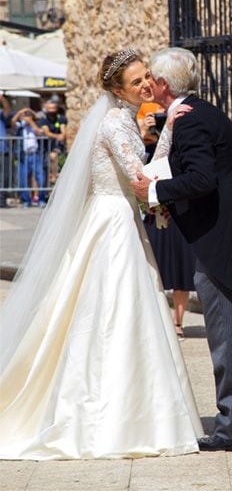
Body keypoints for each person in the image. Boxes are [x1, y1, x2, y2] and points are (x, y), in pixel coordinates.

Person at [0, 49, 203, 459]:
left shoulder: (122, 119)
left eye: (147, 76)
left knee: (117, 312)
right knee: (116, 312)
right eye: (136, 82)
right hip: (113, 225)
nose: (146, 85)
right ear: (116, 89)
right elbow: (140, 178)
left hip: (115, 217)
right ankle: (114, 416)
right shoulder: (114, 123)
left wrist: (153, 134)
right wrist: (168, 134)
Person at [131, 47, 232, 452]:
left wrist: (153, 190)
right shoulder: (198, 112)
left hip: (225, 238)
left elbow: (201, 178)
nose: (148, 83)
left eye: (152, 77)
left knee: (229, 332)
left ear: (164, 84)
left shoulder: (191, 121)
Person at [137, 102, 196, 341]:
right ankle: (158, 319)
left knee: (181, 270)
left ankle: (178, 321)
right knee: (156, 269)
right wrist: (143, 134)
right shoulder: (142, 145)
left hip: (178, 210)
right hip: (154, 212)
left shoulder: (178, 140)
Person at [12, 107, 47, 207]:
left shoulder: (36, 125)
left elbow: (39, 132)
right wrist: (20, 112)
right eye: (24, 116)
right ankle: (26, 200)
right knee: (23, 179)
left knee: (40, 178)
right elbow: (13, 122)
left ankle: (41, 199)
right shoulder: (20, 126)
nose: (26, 117)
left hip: (35, 155)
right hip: (23, 156)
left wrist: (31, 120)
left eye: (27, 115)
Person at [39, 100, 67, 186]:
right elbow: (47, 132)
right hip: (45, 146)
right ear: (46, 109)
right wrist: (58, 136)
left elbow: (63, 131)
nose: (52, 110)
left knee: (53, 156)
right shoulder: (43, 119)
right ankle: (51, 177)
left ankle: (54, 176)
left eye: (53, 108)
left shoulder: (60, 118)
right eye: (50, 108)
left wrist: (62, 135)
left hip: (57, 145)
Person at [0, 92, 13, 208]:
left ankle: (2, 200)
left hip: (3, 149)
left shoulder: (1, 115)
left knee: (4, 176)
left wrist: (2, 98)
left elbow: (7, 109)